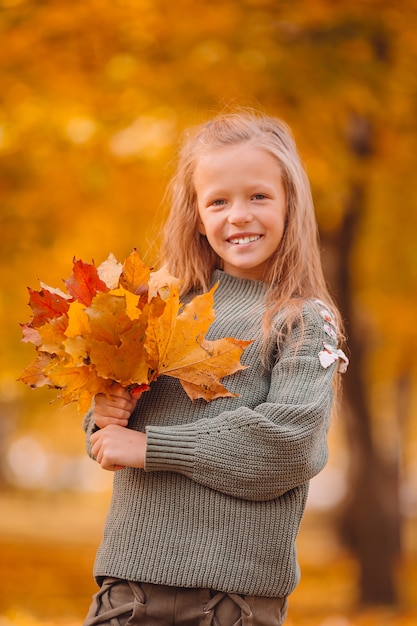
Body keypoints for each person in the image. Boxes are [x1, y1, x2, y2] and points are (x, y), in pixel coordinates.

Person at [82, 111, 348, 626]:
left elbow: (287, 447)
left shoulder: (302, 321)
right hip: (131, 586)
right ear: (197, 216)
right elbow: (112, 435)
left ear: (291, 203)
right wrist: (104, 417)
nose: (239, 215)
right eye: (218, 201)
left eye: (259, 196)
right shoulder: (159, 308)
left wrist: (149, 447)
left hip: (234, 602)